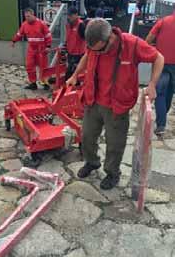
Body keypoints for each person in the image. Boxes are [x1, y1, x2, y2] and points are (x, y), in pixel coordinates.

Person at [67, 18, 164, 190]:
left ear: (110, 38)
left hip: (117, 105)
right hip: (93, 100)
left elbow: (159, 58)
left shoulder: (132, 44)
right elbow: (86, 56)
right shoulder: (94, 46)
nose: (98, 52)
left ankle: (112, 173)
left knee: (114, 143)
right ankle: (92, 162)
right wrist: (75, 75)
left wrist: (152, 84)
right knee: (87, 136)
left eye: (100, 49)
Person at [146, 4, 175, 136]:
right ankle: (163, 116)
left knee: (160, 94)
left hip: (162, 64)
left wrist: (153, 48)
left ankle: (161, 124)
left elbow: (148, 40)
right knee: (169, 93)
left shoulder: (162, 22)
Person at [12, 8, 52, 90]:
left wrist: (48, 46)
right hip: (31, 49)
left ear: (33, 15)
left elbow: (48, 35)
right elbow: (19, 34)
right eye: (25, 17)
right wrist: (14, 41)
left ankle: (45, 83)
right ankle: (33, 83)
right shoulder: (24, 25)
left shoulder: (41, 23)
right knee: (29, 66)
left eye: (28, 16)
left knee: (43, 67)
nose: (27, 18)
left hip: (41, 49)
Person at [64, 7, 87, 79]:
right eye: (68, 15)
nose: (69, 17)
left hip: (78, 55)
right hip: (70, 54)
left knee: (73, 75)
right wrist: (65, 48)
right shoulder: (68, 25)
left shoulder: (81, 25)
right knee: (70, 75)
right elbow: (68, 38)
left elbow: (86, 40)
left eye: (71, 15)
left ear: (76, 15)